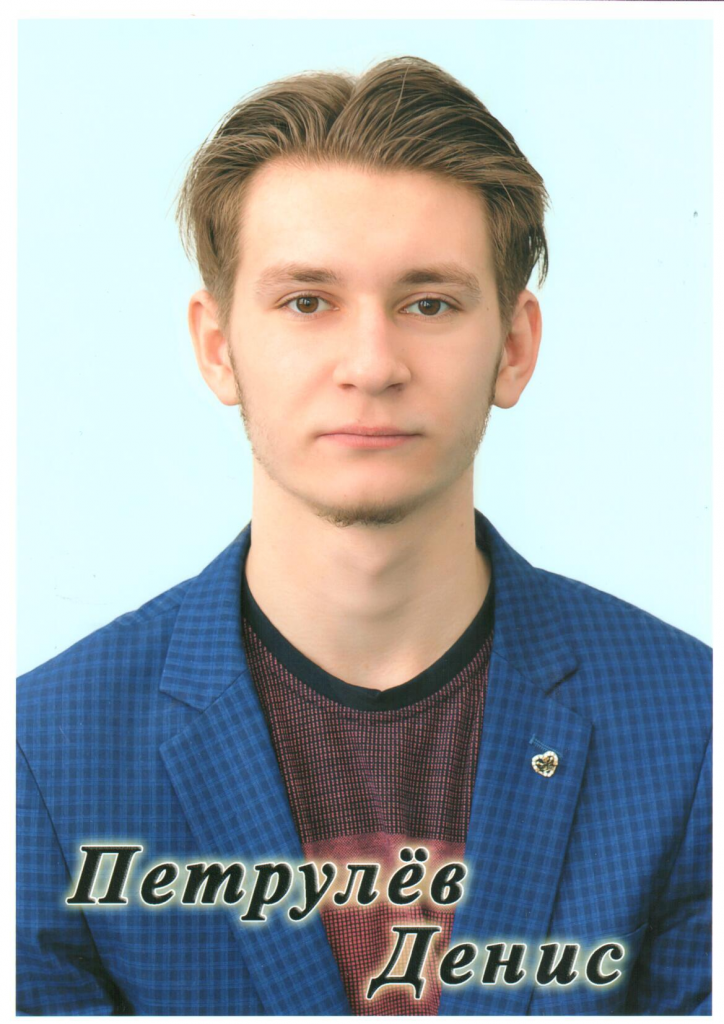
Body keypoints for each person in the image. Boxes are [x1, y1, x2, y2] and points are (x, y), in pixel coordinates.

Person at [16, 56, 711, 1016]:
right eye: (308, 302)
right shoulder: (47, 749)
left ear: (514, 346)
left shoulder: (692, 724)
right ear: (218, 347)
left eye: (429, 303)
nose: (372, 364)